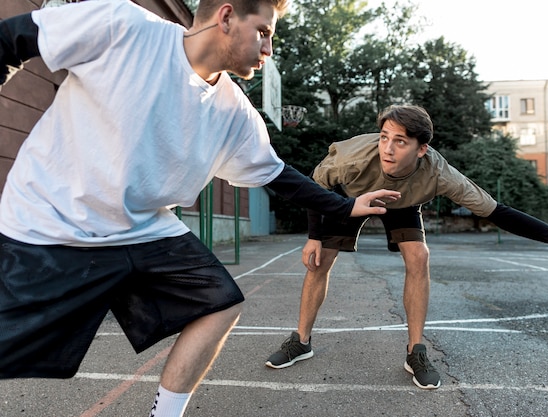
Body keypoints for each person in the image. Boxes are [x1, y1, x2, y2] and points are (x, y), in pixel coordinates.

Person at [0, 1, 401, 416]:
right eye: (263, 32)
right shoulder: (123, 27)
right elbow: (9, 40)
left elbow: (277, 175)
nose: (268, 50)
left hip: (143, 229)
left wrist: (346, 205)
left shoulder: (234, 112)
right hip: (48, 221)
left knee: (220, 302)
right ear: (226, 17)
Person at [265, 104, 548, 390]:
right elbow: (315, 185)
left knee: (419, 256)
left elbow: (500, 213)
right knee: (319, 261)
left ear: (423, 149)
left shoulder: (440, 174)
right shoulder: (354, 158)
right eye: (384, 137)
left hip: (404, 201)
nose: (388, 148)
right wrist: (314, 236)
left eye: (401, 141)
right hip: (348, 198)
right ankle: (301, 340)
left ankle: (416, 351)